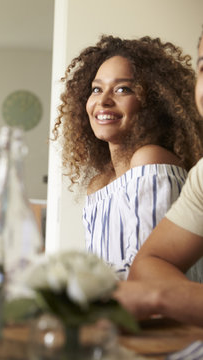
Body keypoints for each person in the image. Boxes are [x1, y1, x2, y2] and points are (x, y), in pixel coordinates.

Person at [52, 35, 203, 279]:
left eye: (123, 89)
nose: (103, 101)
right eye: (96, 89)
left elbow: (148, 276)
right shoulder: (99, 184)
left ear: (152, 102)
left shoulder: (150, 160)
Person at [114, 30, 203, 326]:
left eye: (123, 89)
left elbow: (150, 291)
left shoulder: (151, 160)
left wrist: (161, 296)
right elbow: (151, 263)